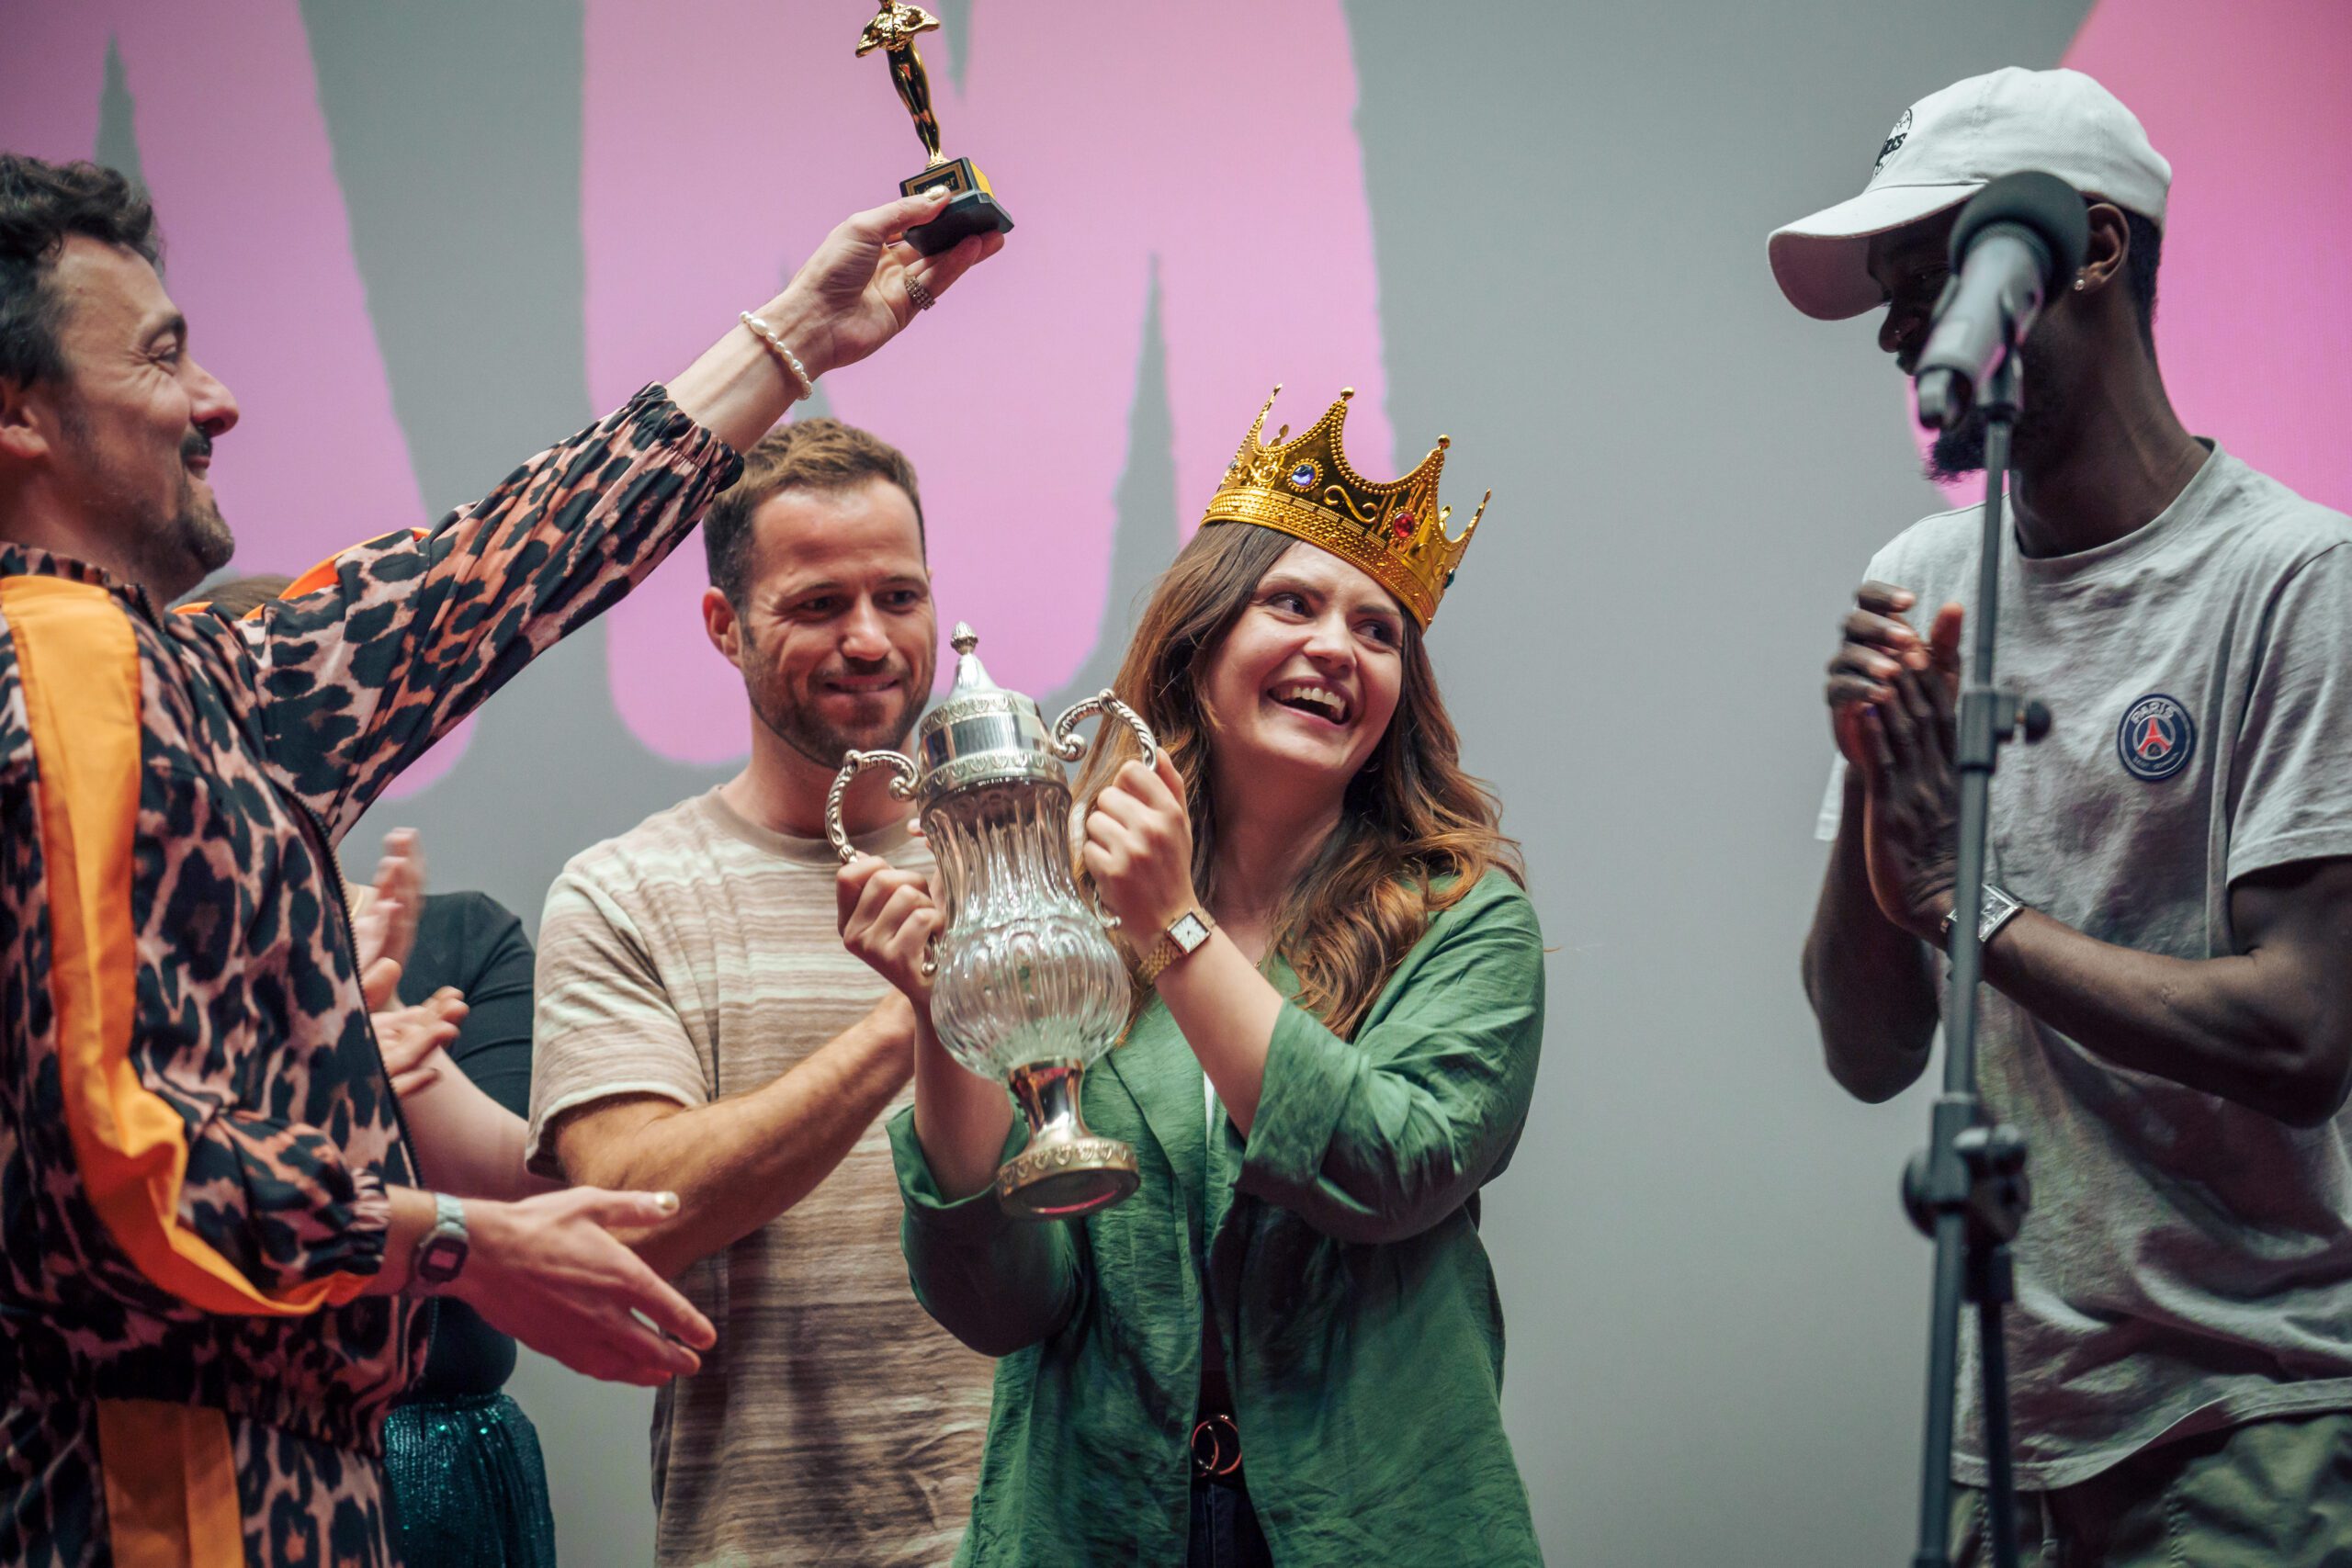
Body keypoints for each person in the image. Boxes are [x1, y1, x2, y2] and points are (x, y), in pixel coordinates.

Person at [0, 150, 998, 1568]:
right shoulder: (61, 672)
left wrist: (797, 337)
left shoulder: (188, 674)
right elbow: (115, 1176)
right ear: (20, 411)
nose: (214, 400)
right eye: (160, 358)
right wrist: (458, 1239)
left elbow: (486, 572)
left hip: (269, 1478)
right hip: (159, 1498)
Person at [1779, 67, 2352, 1565]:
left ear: (2092, 247)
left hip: (2252, 1414)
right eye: (1892, 298)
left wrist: (1967, 906)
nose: (1901, 333)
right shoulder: (1924, 577)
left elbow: (2302, 1035)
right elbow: (1869, 1052)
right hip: (2010, 1429)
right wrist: (1874, 797)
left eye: (1934, 276)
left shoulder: (2296, 580)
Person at [840, 387, 1546, 1565]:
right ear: (1197, 643)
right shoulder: (1070, 909)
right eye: (1291, 603)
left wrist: (1173, 928)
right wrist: (938, 1006)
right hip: (1096, 1524)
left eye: (1378, 631)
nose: (1336, 647)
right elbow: (1001, 1302)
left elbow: (1393, 1169)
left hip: (1369, 1528)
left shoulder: (1464, 917)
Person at [528, 418, 994, 1567]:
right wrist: (908, 1019)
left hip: (1048, 1533)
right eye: (819, 605)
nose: (869, 639)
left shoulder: (1025, 848)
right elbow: (632, 1216)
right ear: (723, 625)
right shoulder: (626, 893)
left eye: (899, 596)